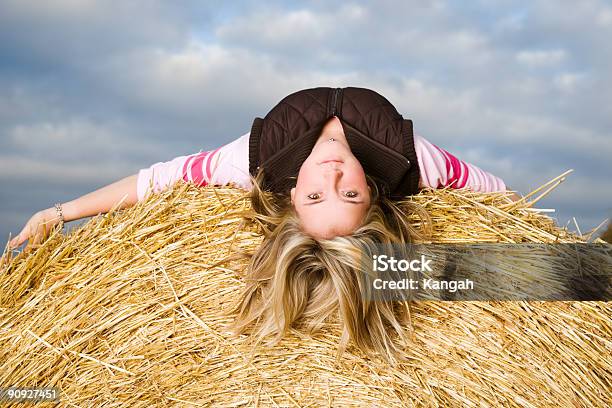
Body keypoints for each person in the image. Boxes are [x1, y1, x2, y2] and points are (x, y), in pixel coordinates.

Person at [6, 87, 515, 363]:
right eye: (350, 193)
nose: (333, 174)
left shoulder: (254, 162)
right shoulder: (412, 161)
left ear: (293, 194)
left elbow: (153, 181)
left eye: (318, 196)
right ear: (372, 191)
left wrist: (59, 213)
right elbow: (504, 198)